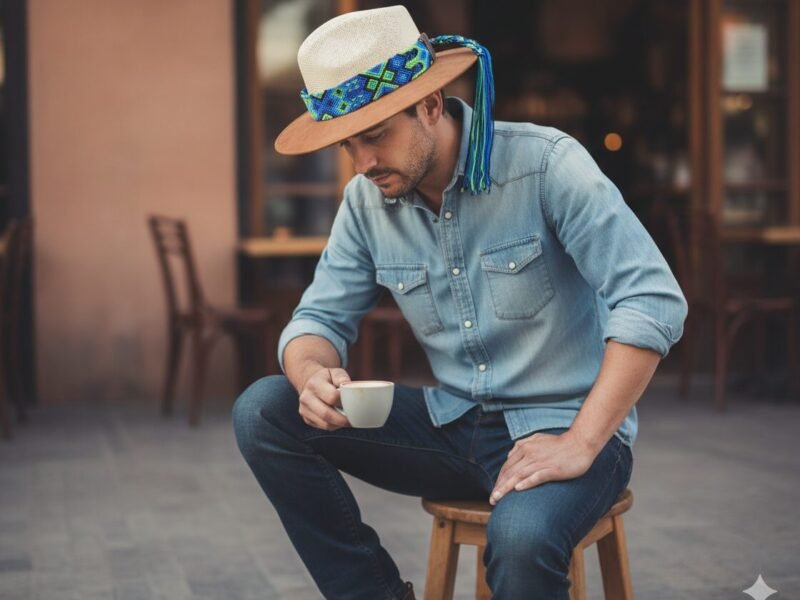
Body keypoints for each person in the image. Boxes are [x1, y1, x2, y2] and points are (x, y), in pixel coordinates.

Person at [233, 6, 687, 599]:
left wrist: (580, 442)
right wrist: (312, 374)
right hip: (452, 426)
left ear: (431, 104)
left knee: (521, 541)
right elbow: (316, 320)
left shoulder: (546, 166)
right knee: (264, 408)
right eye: (349, 144)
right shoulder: (366, 202)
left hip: (565, 427)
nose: (363, 163)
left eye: (374, 135)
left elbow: (652, 298)